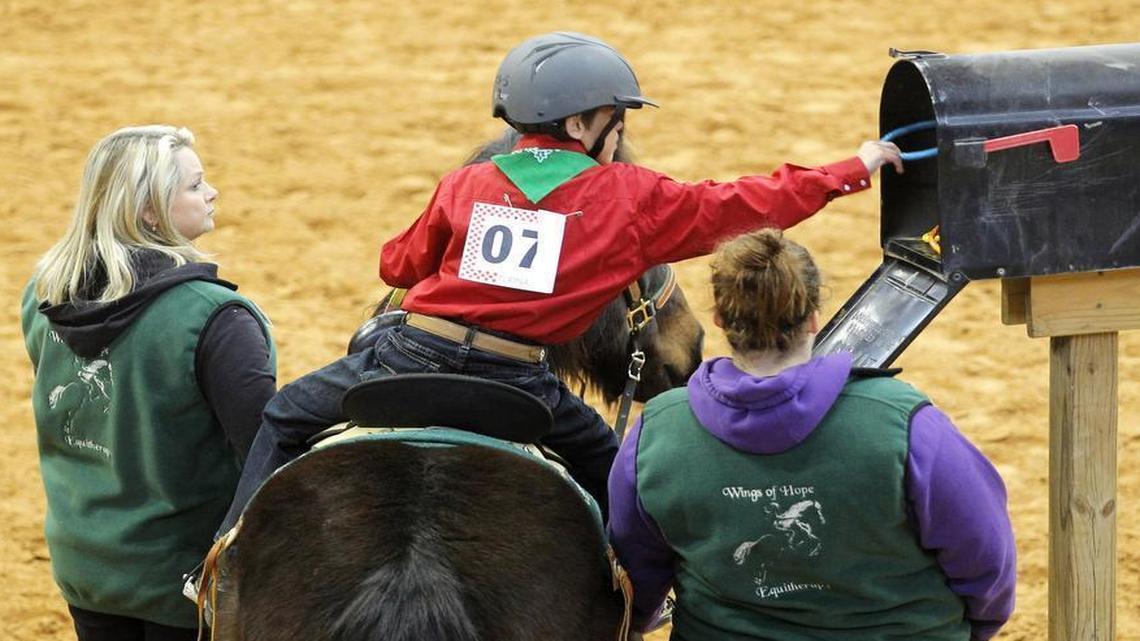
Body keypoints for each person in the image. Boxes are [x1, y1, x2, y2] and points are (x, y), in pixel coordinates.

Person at [221, 30, 902, 527]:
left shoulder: (467, 182)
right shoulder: (628, 199)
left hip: (408, 353)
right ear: (581, 123)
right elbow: (748, 202)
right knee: (615, 470)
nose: (618, 134)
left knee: (284, 416)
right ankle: (637, 600)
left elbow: (396, 266)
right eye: (617, 120)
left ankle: (219, 561)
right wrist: (855, 166)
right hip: (516, 380)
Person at [608, 228, 1016, 641]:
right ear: (814, 317)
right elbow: (985, 561)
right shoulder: (906, 423)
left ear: (719, 319)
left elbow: (636, 580)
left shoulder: (656, 432)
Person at [21, 125, 276, 641]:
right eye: (194, 184)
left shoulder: (44, 295)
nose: (212, 193)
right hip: (182, 582)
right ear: (150, 211)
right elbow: (263, 451)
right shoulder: (216, 319)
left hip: (85, 564)